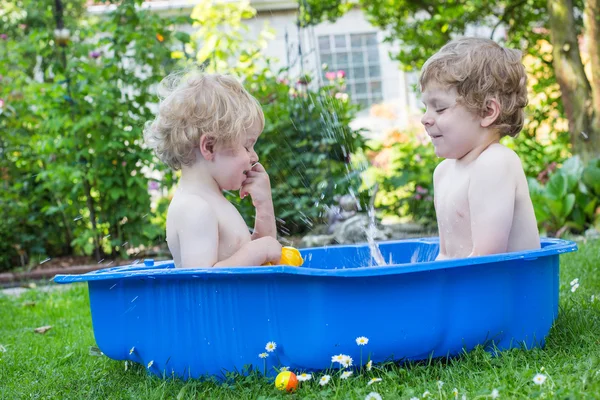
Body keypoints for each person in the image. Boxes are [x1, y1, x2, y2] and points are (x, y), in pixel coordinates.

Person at [144, 71, 282, 267]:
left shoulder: (212, 202)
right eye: (247, 146)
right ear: (209, 146)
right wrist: (257, 250)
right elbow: (201, 284)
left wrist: (264, 207)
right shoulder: (194, 208)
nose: (255, 157)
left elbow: (264, 264)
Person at [419, 37, 540, 260]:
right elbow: (445, 256)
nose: (425, 119)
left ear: (487, 111)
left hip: (509, 291)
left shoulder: (495, 162)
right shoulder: (443, 172)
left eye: (440, 108)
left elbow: (487, 262)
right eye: (425, 107)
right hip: (471, 288)